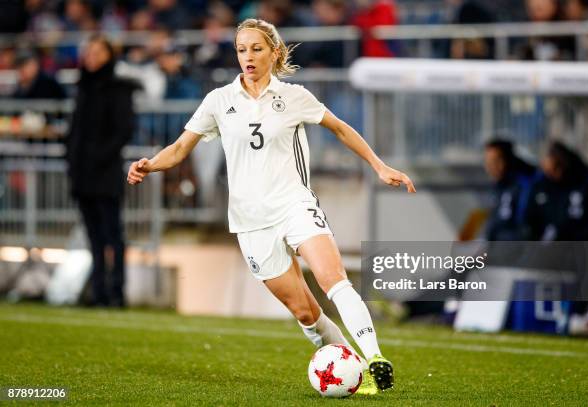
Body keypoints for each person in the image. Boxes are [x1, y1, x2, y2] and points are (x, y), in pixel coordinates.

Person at [128, 18, 415, 394]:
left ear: (274, 52)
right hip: (250, 222)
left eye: (256, 49)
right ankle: (354, 369)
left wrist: (379, 165)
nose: (247, 56)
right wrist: (150, 163)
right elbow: (181, 148)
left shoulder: (295, 97)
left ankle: (375, 357)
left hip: (294, 204)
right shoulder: (219, 101)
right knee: (305, 312)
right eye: (241, 49)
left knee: (334, 279)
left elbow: (342, 128)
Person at [66, 34, 139, 308]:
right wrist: (72, 161)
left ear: (109, 55)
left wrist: (98, 157)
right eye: (89, 52)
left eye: (98, 52)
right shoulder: (82, 87)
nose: (92, 57)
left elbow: (123, 130)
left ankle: (117, 293)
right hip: (82, 174)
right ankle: (98, 292)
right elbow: (75, 131)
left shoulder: (119, 88)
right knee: (94, 237)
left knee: (112, 236)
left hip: (106, 173)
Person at [483, 139, 535, 241]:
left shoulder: (524, 187)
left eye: (494, 161)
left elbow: (525, 230)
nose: (489, 166)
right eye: (487, 161)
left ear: (506, 160)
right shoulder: (497, 187)